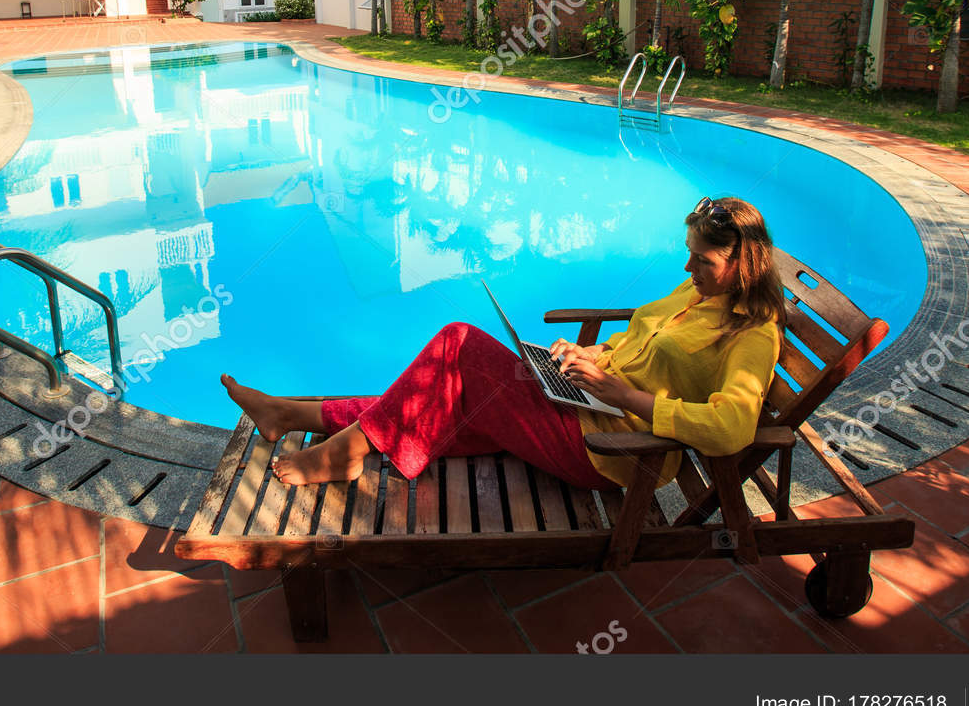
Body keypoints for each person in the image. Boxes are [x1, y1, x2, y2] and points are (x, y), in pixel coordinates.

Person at [221, 196, 787, 489]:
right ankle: (290, 413)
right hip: (585, 406)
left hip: (614, 452)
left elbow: (732, 428)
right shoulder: (698, 293)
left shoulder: (751, 336)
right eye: (688, 252)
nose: (688, 266)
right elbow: (639, 346)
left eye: (703, 259)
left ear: (744, 262)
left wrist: (625, 398)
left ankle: (341, 448)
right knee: (439, 402)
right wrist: (589, 358)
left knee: (460, 345)